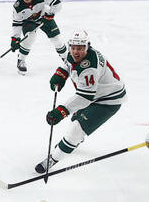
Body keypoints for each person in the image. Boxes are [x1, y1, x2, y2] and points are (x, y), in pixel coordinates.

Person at [38, 29, 126, 174]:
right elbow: (68, 64)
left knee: (75, 130)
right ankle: (71, 143)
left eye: (79, 48)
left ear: (87, 47)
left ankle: (53, 159)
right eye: (73, 48)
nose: (75, 52)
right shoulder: (74, 54)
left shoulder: (90, 67)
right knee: (75, 119)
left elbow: (85, 97)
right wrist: (61, 74)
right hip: (97, 95)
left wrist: (61, 111)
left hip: (108, 101)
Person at [11, 0, 65, 75]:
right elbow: (17, 24)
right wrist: (15, 39)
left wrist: (50, 14)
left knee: (57, 39)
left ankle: (66, 58)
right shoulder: (17, 7)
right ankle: (21, 60)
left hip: (44, 17)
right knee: (29, 38)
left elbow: (58, 4)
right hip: (28, 22)